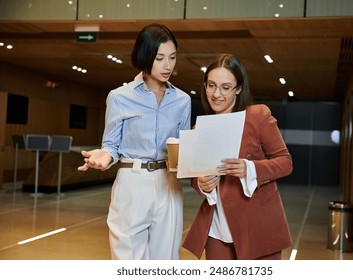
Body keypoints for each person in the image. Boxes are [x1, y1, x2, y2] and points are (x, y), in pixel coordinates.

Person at [77, 23, 191, 260]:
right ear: (145, 56)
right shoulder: (120, 97)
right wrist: (105, 156)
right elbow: (111, 144)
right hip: (132, 181)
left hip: (168, 183)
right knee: (128, 260)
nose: (168, 65)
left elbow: (183, 147)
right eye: (160, 58)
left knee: (166, 260)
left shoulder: (182, 100)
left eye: (172, 57)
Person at [182, 53, 292, 260]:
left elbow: (286, 162)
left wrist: (249, 168)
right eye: (211, 85)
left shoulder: (257, 116)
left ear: (238, 89)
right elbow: (196, 180)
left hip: (258, 228)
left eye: (225, 87)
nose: (216, 94)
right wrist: (203, 184)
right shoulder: (200, 127)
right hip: (217, 230)